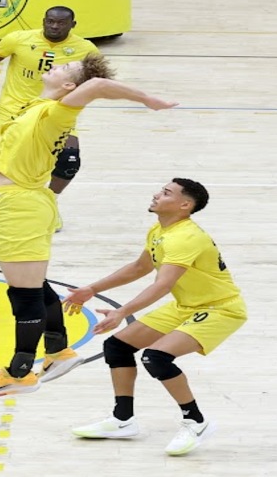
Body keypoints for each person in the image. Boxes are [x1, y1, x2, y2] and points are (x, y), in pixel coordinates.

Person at [0, 55, 174, 398]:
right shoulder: (35, 111)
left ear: (69, 87)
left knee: (23, 296)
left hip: (20, 207)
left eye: (65, 68)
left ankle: (20, 373)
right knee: (32, 288)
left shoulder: (57, 112)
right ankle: (58, 351)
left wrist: (146, 99)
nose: (54, 66)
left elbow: (96, 85)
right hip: (16, 204)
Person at [63, 178, 245, 456]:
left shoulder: (185, 237)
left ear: (184, 205)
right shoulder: (160, 231)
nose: (157, 194)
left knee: (156, 357)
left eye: (166, 192)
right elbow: (139, 268)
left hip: (220, 308)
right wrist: (92, 289)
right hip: (187, 305)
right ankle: (123, 420)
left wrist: (122, 312)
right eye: (161, 190)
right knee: (118, 346)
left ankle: (196, 421)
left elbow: (163, 284)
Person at [0, 7, 99, 230]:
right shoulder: (19, 39)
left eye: (61, 23)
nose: (55, 26)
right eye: (50, 21)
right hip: (11, 109)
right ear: (44, 21)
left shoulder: (85, 48)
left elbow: (97, 80)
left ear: (72, 25)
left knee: (69, 160)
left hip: (53, 112)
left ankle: (50, 204)